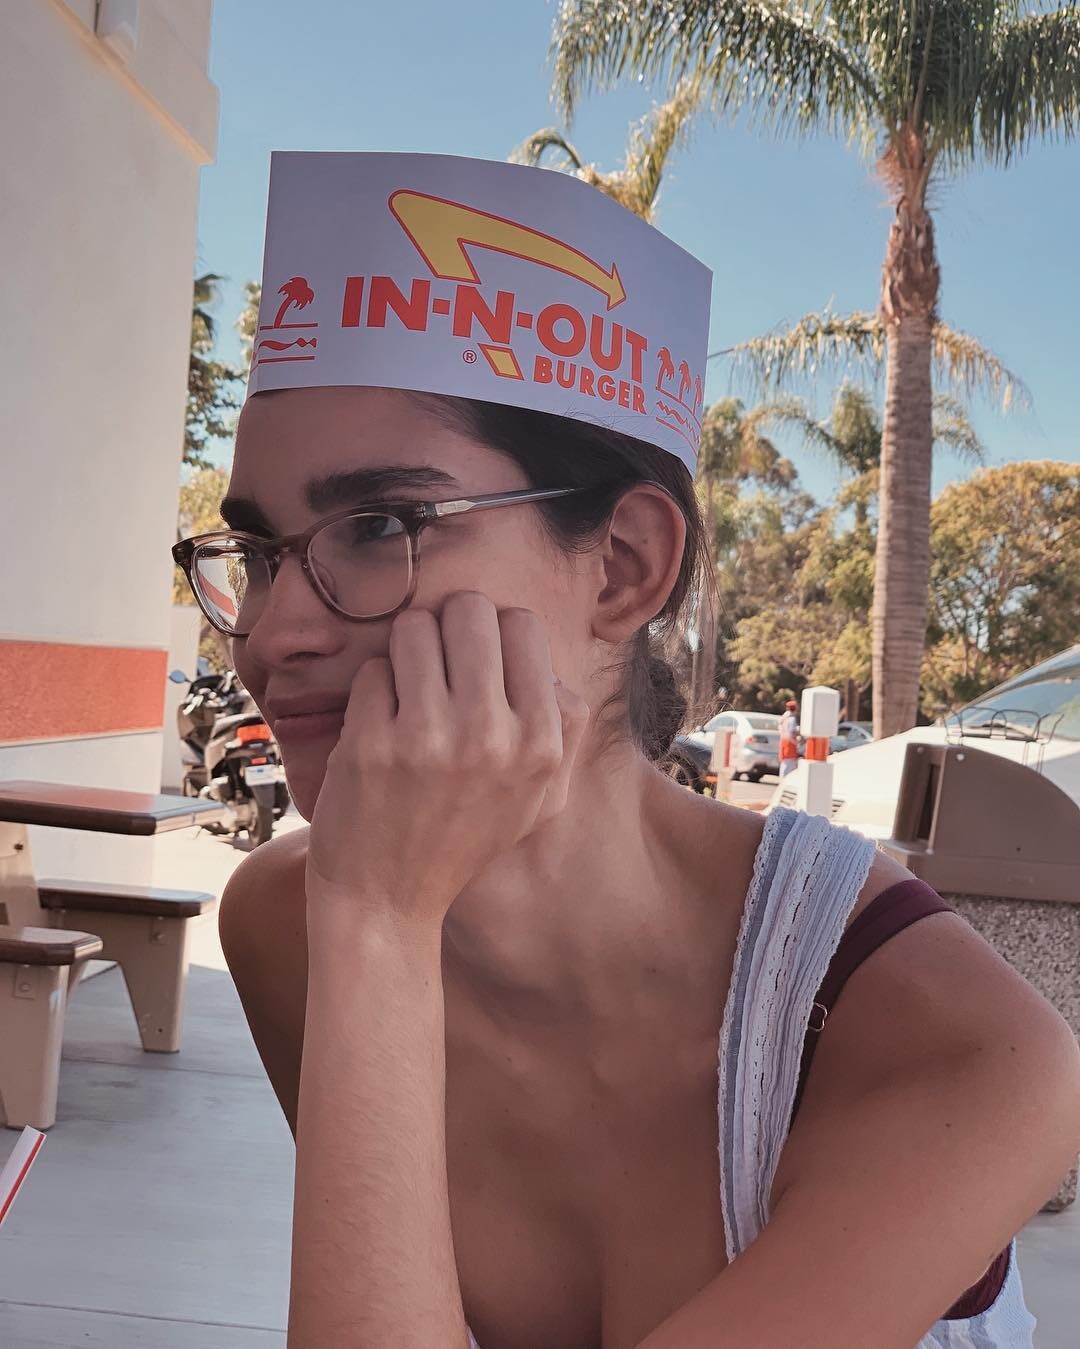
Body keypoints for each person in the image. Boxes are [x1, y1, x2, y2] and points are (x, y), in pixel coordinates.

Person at [173, 152, 1079, 1349]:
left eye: (380, 525)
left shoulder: (956, 1045)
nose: (272, 633)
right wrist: (372, 929)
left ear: (624, 567)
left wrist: (381, 924)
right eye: (259, 554)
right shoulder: (290, 923)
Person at [778, 698, 800, 778]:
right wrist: (796, 742)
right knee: (789, 766)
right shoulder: (791, 719)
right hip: (789, 745)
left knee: (784, 764)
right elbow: (791, 733)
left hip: (784, 743)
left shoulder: (784, 718)